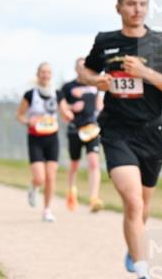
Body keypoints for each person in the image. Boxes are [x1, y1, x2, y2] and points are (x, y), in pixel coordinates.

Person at [79, 0, 162, 279]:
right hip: (116, 132)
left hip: (151, 133)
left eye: (142, 3)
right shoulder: (106, 41)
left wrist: (145, 72)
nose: (136, 9)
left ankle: (134, 243)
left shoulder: (160, 43)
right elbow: (84, 68)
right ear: (119, 8)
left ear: (147, 6)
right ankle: (144, 278)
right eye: (130, 3)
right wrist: (93, 80)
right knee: (133, 203)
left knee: (144, 205)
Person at [16, 62, 63, 223]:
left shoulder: (57, 93)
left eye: (48, 72)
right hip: (35, 138)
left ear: (51, 75)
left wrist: (71, 114)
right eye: (43, 72)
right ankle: (34, 187)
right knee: (40, 177)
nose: (45, 75)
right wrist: (29, 121)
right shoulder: (30, 94)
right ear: (38, 74)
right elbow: (20, 115)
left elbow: (65, 112)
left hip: (52, 138)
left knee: (51, 176)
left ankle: (47, 210)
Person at [60, 57, 105, 213]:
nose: (83, 69)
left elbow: (100, 105)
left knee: (94, 162)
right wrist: (72, 108)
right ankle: (71, 190)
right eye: (80, 67)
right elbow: (63, 109)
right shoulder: (67, 87)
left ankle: (94, 198)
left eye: (86, 67)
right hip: (75, 130)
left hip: (92, 129)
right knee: (74, 164)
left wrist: (102, 116)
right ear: (76, 69)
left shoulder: (95, 85)